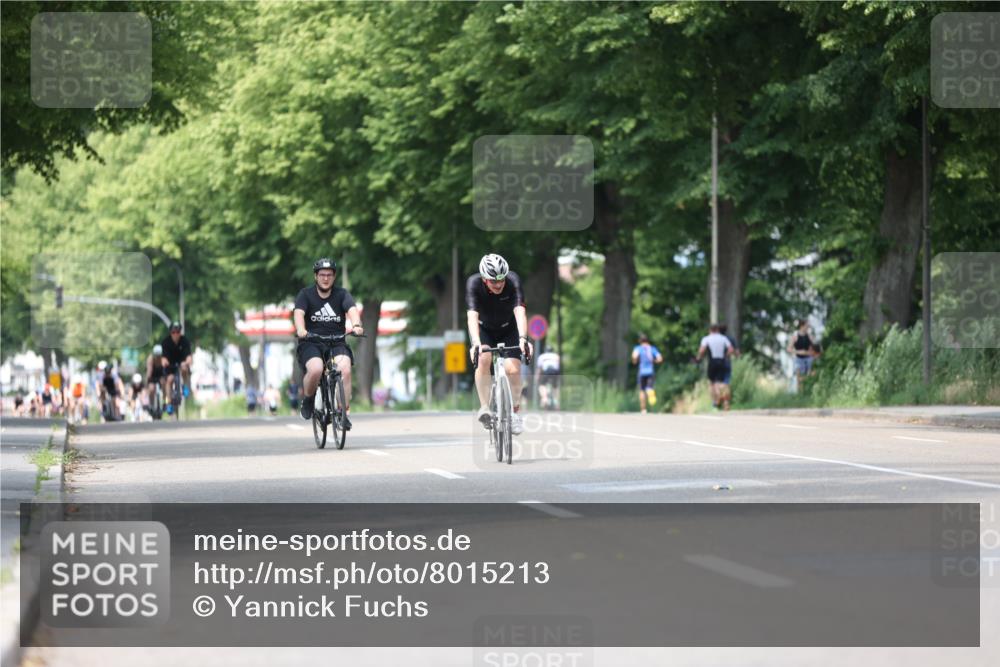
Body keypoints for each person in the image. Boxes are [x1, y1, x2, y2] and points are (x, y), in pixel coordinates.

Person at [294, 258, 363, 430]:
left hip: (336, 341)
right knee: (316, 369)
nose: (326, 278)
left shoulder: (342, 294)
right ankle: (309, 398)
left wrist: (356, 325)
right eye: (322, 275)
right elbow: (298, 313)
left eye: (329, 275)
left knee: (345, 369)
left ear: (334, 277)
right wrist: (301, 329)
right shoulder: (305, 294)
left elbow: (352, 310)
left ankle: (343, 413)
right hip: (311, 342)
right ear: (316, 276)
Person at [467, 253, 531, 435]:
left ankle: (515, 411)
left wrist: (523, 339)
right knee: (484, 358)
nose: (499, 284)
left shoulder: (512, 280)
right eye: (493, 281)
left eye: (501, 279)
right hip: (484, 330)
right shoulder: (473, 284)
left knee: (513, 369)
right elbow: (472, 316)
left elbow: (520, 311)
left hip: (509, 328)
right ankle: (485, 407)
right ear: (484, 279)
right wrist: (476, 343)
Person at [696, 324, 734, 411]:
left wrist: (698, 358)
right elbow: (731, 349)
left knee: (713, 383)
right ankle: (726, 402)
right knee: (723, 383)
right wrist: (726, 356)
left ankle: (715, 403)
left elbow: (702, 350)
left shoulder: (706, 338)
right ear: (717, 330)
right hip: (722, 361)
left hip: (712, 362)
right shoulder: (723, 338)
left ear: (710, 330)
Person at [160, 322, 193, 413]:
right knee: (169, 380)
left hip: (181, 363)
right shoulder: (165, 342)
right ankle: (169, 403)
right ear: (170, 333)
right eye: (173, 332)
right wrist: (164, 361)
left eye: (177, 332)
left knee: (184, 369)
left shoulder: (185, 341)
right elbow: (163, 358)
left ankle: (185, 386)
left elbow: (189, 356)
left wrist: (187, 361)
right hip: (170, 366)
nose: (175, 334)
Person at [631, 334, 663, 414]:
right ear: (647, 340)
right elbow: (660, 358)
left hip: (642, 372)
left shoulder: (638, 348)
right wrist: (654, 361)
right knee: (650, 388)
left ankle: (643, 409)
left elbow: (634, 357)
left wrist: (635, 361)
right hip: (650, 371)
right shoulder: (652, 349)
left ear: (640, 341)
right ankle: (650, 393)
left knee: (642, 390)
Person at [787, 319, 818, 390]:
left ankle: (808, 391)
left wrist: (812, 352)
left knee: (810, 375)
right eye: (807, 325)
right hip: (798, 359)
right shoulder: (795, 335)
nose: (808, 327)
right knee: (799, 379)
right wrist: (799, 351)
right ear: (802, 326)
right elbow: (788, 349)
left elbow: (815, 347)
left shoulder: (809, 335)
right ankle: (800, 395)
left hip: (808, 359)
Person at [718, 324, 740, 407]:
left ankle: (720, 398)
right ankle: (726, 402)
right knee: (726, 383)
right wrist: (735, 357)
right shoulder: (731, 339)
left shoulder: (717, 340)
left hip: (717, 363)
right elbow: (737, 352)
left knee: (718, 382)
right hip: (727, 362)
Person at [145, 344, 167, 410]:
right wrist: (148, 381)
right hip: (153, 376)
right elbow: (149, 371)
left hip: (161, 375)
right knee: (151, 389)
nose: (158, 357)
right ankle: (151, 404)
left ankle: (164, 402)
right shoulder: (150, 359)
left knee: (164, 385)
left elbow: (165, 371)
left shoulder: (163, 359)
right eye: (156, 355)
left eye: (159, 355)